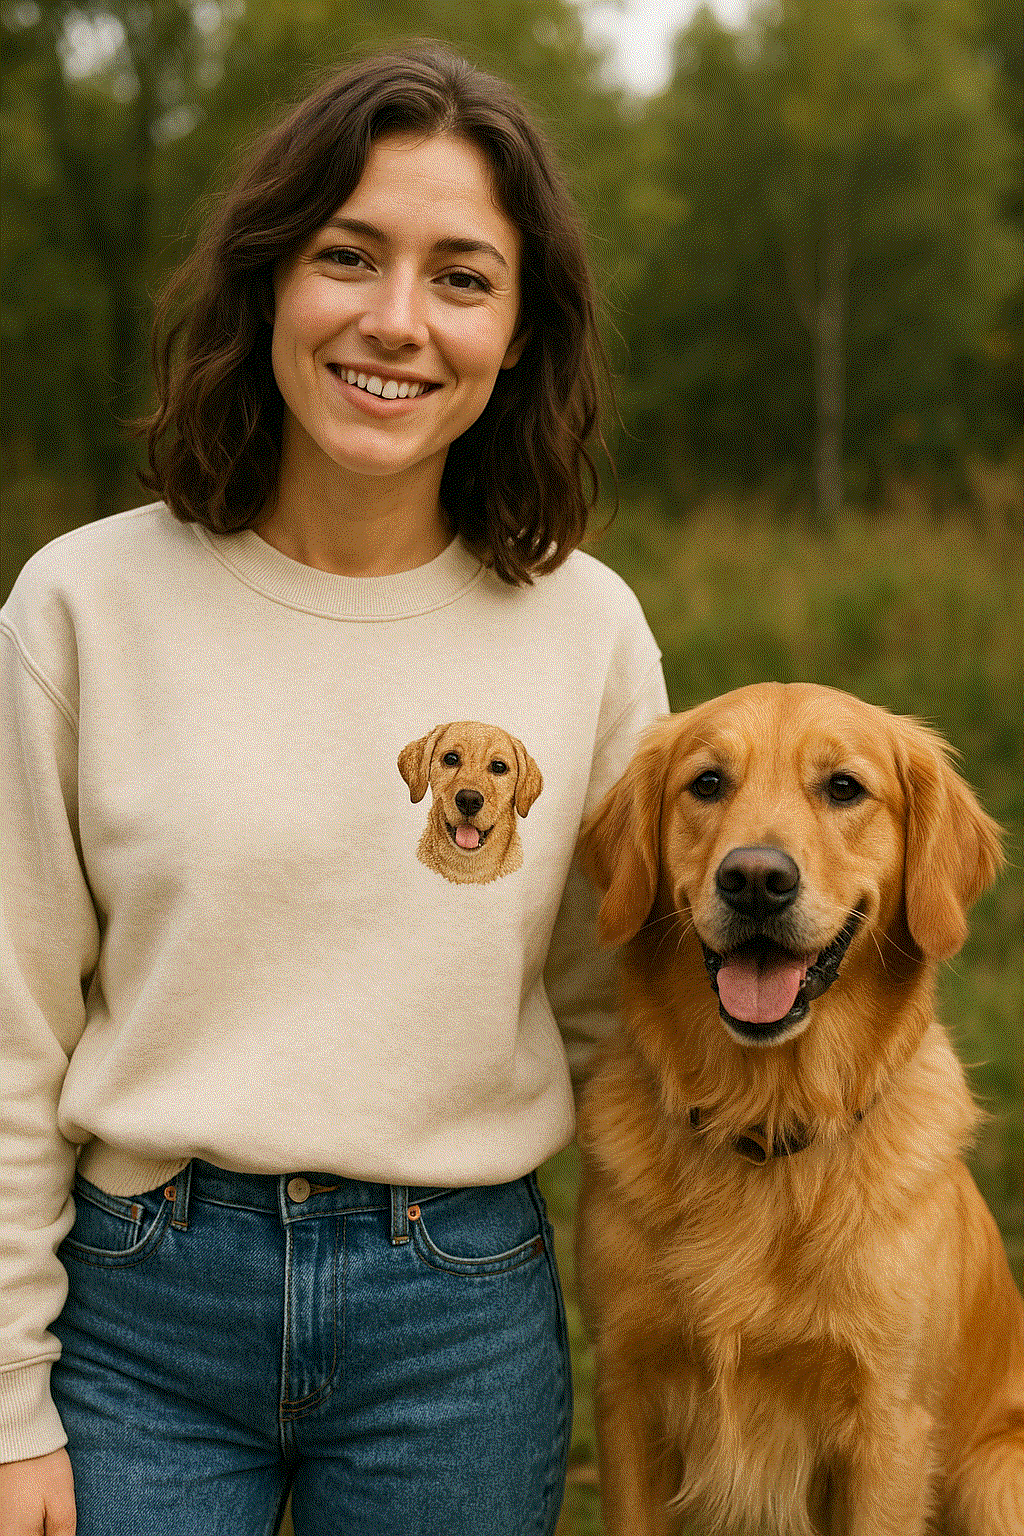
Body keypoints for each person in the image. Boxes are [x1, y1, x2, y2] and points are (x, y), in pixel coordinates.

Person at [0, 43, 668, 1536]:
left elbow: (631, 1021)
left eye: (462, 276)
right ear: (267, 283)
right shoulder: (81, 607)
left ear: (519, 332)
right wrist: (1, 1403)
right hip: (134, 1320)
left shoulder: (586, 629)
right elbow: (9, 1031)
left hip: (460, 1318)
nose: (395, 320)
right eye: (348, 256)